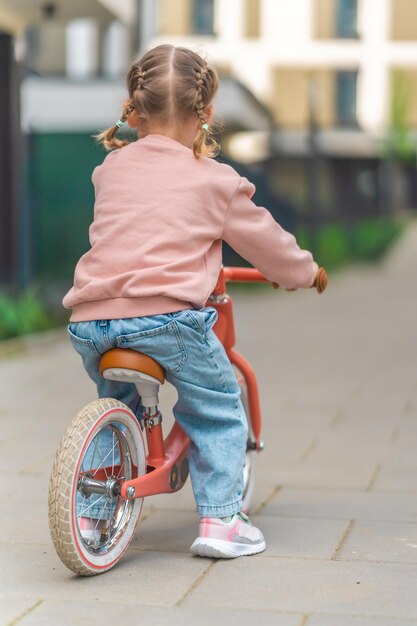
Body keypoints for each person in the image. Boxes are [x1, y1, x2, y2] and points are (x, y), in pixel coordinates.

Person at [63, 44, 319, 559]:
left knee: (121, 407)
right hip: (167, 322)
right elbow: (268, 243)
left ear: (133, 111)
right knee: (219, 406)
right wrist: (305, 272)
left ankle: (92, 519)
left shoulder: (109, 171)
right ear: (205, 115)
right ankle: (223, 520)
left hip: (92, 322)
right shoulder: (215, 181)